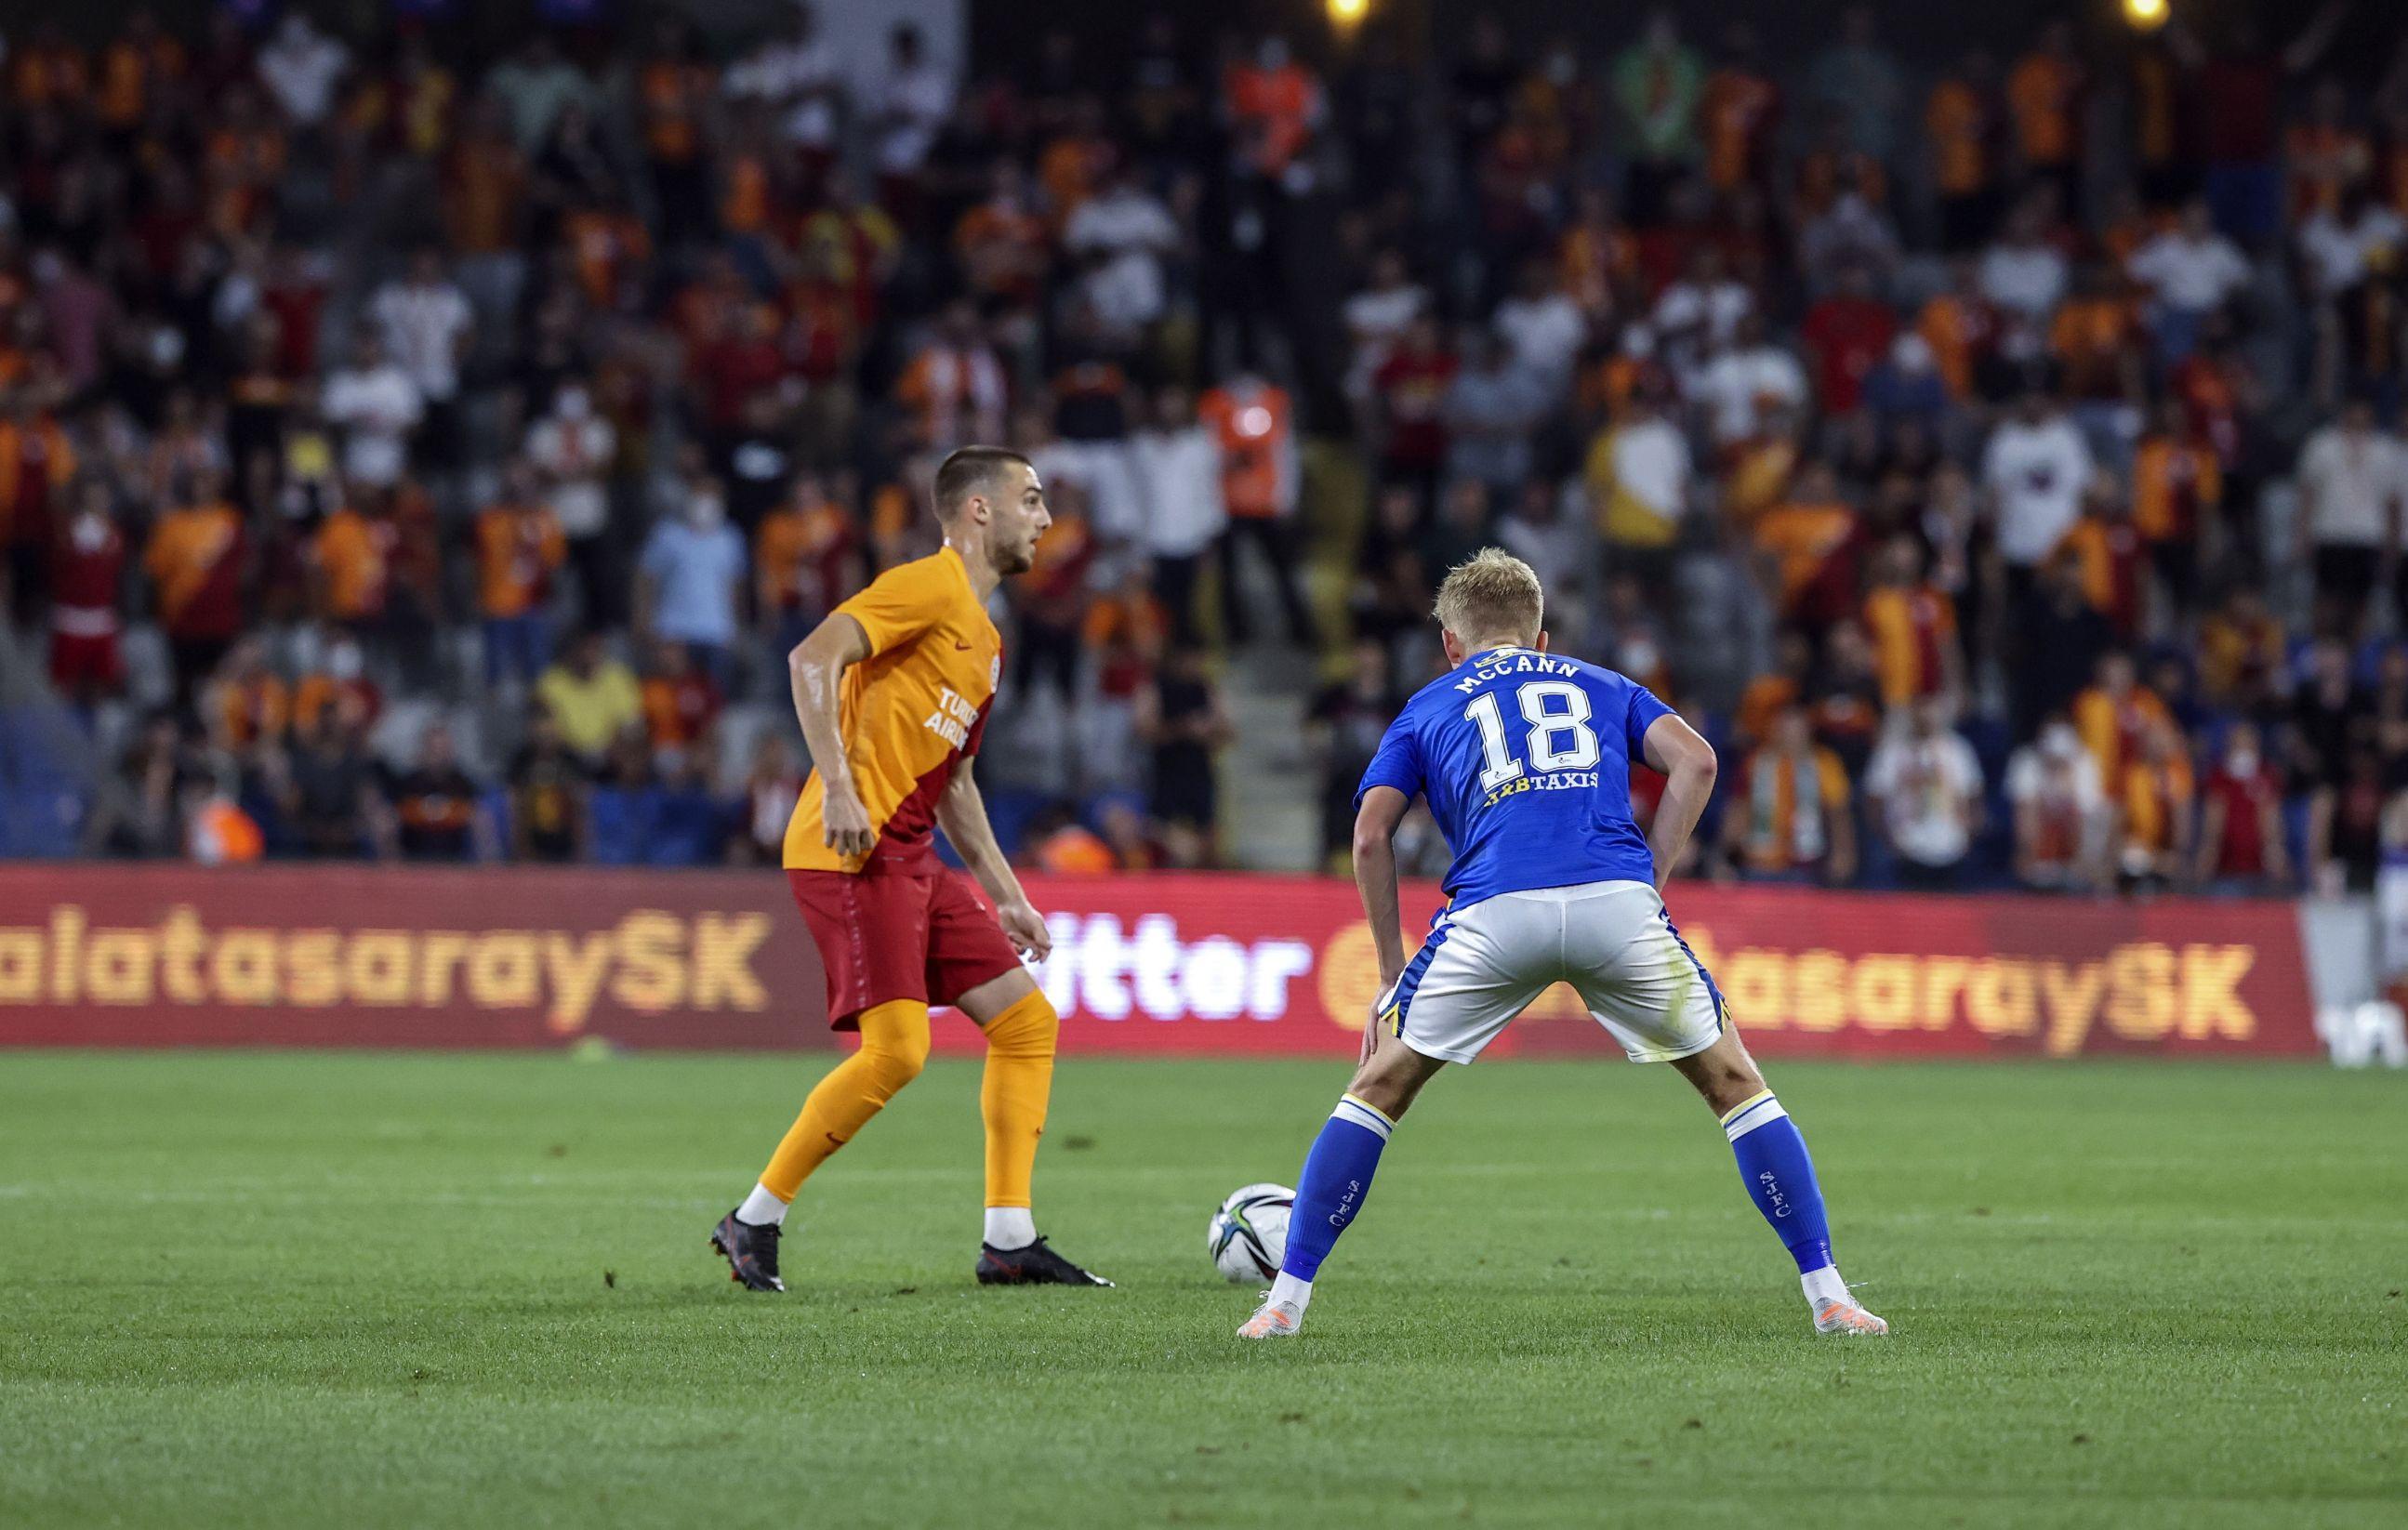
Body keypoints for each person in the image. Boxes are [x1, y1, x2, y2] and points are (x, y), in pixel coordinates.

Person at [1237, 548, 1885, 1341]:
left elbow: (1371, 838)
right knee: (1736, 1085)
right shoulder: (1604, 683)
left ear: (1451, 643)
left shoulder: (1429, 704)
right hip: (1616, 903)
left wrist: (1389, 979)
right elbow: (1698, 762)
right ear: (1542, 640)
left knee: (1378, 1090)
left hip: (1495, 910)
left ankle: (1282, 1306)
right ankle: (1830, 1299)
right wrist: (1648, 879)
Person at [712, 446, 1109, 1294]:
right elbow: (811, 658)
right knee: (897, 1054)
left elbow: (956, 783)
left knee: (1026, 1025)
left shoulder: (987, 643)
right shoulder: (927, 586)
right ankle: (754, 1220)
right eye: (1031, 501)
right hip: (849, 849)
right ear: (977, 511)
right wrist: (844, 788)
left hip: (910, 854)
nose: (1045, 519)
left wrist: (1010, 897)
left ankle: (1009, 1239)